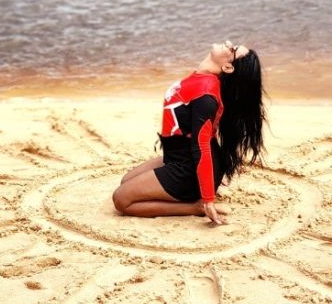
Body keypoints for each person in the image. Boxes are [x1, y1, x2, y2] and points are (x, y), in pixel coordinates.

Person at [112, 40, 266, 225]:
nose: (227, 43)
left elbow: (201, 147)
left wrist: (208, 198)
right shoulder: (202, 79)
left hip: (189, 170)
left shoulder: (206, 96)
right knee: (126, 181)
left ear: (227, 66)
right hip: (178, 157)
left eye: (232, 49)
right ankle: (191, 195)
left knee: (121, 199)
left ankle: (196, 206)